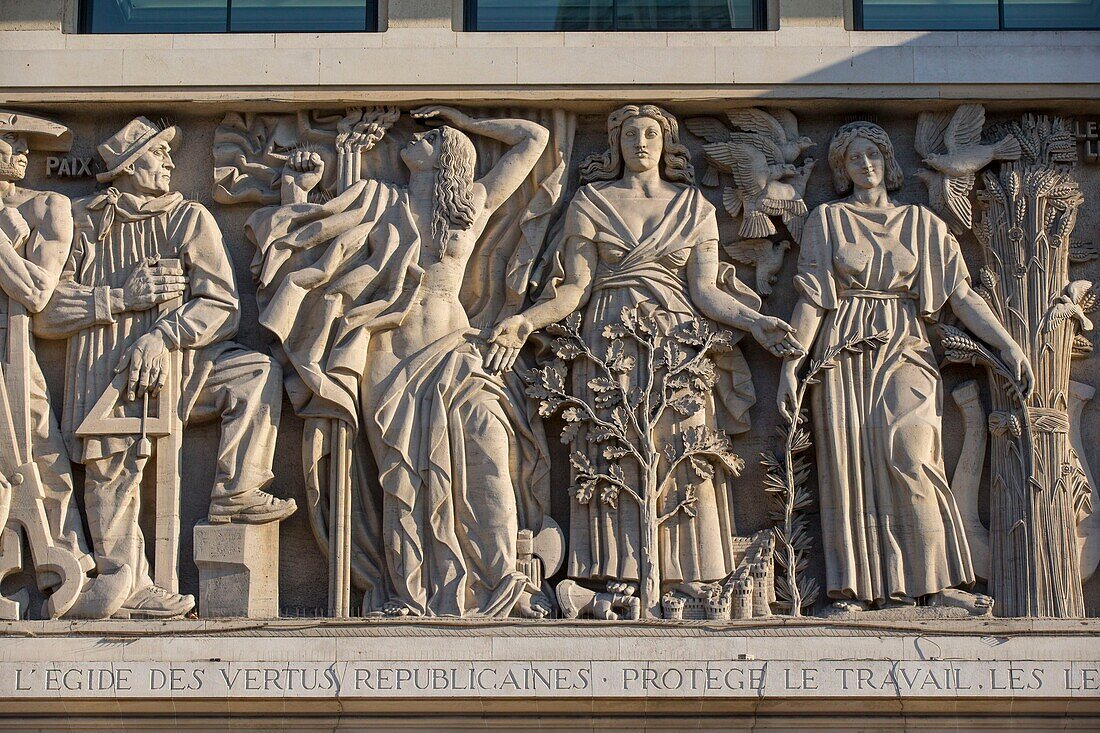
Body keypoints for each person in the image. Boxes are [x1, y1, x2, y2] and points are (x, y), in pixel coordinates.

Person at [488, 104, 801, 605]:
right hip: (608, 336)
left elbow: (706, 292)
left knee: (684, 449)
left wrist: (756, 322)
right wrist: (526, 320)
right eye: (630, 133)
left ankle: (691, 572)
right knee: (612, 454)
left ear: (666, 142)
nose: (640, 141)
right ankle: (618, 572)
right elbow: (574, 291)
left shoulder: (694, 207)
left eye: (650, 132)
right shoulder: (590, 202)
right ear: (615, 144)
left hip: (677, 340)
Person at [247, 106, 554, 618]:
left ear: (449, 157)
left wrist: (461, 116)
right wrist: (298, 190)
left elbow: (534, 137)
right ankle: (410, 594)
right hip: (386, 353)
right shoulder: (375, 199)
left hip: (453, 347)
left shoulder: (468, 207)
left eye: (432, 138)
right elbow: (309, 243)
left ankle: (505, 585)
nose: (416, 141)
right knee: (403, 476)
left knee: (487, 446)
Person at [37, 117, 295, 619]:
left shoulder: (188, 218)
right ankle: (126, 583)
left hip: (184, 369)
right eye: (159, 155)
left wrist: (163, 335)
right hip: (105, 373)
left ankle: (235, 489)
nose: (172, 163)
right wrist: (118, 298)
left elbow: (220, 303)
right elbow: (46, 311)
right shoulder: (84, 220)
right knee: (112, 474)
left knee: (255, 374)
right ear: (131, 166)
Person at [776, 121, 1033, 614]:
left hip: (905, 342)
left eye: (873, 154)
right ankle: (854, 591)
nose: (866, 165)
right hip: (844, 347)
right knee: (850, 469)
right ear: (842, 170)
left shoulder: (921, 224)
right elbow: (811, 299)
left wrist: (1007, 345)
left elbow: (961, 294)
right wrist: (792, 365)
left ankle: (936, 584)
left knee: (915, 456)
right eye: (854, 158)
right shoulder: (826, 220)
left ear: (888, 161)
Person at [0, 110, 129, 618]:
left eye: (24, 144)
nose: (22, 153)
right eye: (8, 142)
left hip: (9, 346)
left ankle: (68, 565)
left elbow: (35, 291)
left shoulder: (46, 205)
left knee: (39, 449)